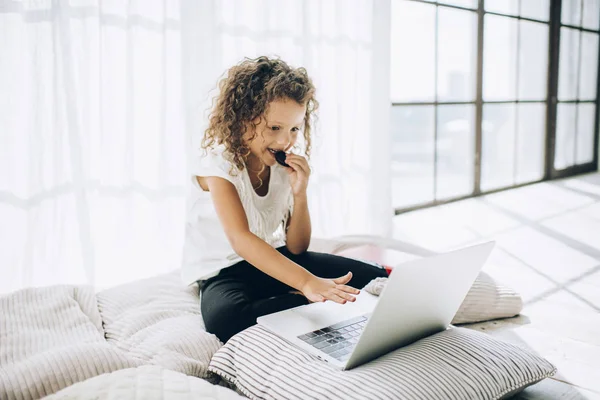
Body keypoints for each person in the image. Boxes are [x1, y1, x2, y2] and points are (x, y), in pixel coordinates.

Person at [181, 56, 388, 343]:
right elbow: (241, 239)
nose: (285, 141)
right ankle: (307, 300)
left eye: (293, 129)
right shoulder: (218, 167)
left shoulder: (280, 167)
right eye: (274, 128)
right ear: (242, 119)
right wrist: (306, 282)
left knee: (375, 278)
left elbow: (297, 246)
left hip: (272, 259)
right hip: (225, 271)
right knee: (226, 320)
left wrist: (300, 193)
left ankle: (311, 298)